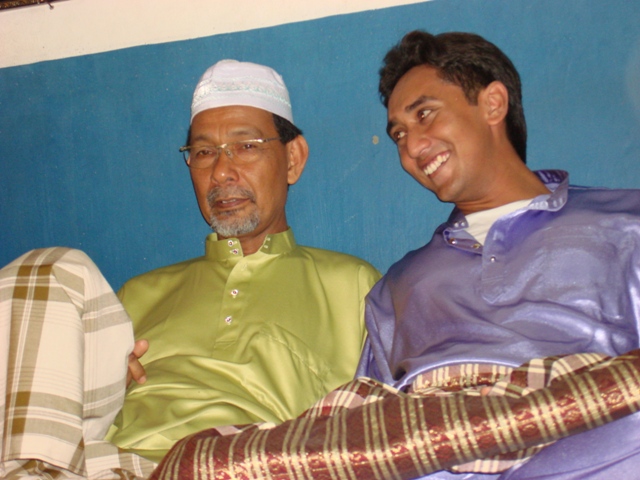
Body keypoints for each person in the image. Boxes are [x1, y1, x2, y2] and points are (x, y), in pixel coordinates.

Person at [151, 32, 640, 480]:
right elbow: (368, 425)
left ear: (493, 103)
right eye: (399, 134)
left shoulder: (624, 222)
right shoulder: (401, 284)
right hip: (428, 450)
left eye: (424, 115)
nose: (412, 148)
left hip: (593, 430)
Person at [0, 60, 380, 479]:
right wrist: (97, 388)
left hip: (248, 462)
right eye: (203, 153)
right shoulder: (135, 294)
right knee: (49, 268)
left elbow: (379, 421)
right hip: (113, 466)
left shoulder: (353, 284)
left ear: (293, 158)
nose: (220, 172)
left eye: (246, 146)